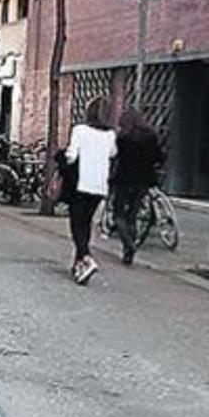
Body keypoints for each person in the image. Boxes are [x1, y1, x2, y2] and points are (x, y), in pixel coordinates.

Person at [64, 96, 116, 284]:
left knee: (77, 224)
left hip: (81, 184)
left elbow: (71, 156)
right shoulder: (110, 135)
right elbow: (113, 154)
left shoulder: (80, 130)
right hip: (99, 186)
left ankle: (86, 257)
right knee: (86, 223)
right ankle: (79, 265)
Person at [111, 107, 164, 265]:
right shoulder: (151, 137)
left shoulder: (122, 138)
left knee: (118, 215)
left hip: (124, 180)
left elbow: (115, 157)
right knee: (132, 215)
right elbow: (159, 157)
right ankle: (129, 251)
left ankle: (128, 244)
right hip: (143, 181)